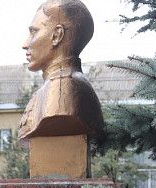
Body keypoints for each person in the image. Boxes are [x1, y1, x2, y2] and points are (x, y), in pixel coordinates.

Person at [19, 0, 102, 141]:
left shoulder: (62, 88)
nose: (25, 44)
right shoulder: (57, 84)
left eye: (34, 32)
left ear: (57, 35)